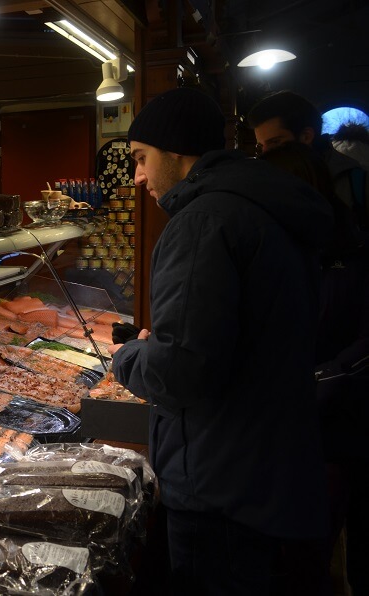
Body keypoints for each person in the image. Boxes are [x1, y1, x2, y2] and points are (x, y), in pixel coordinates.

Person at [107, 86, 335, 595]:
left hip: (222, 485)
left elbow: (181, 371)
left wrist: (128, 355)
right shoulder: (258, 204)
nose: (138, 175)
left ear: (177, 150)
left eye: (142, 159)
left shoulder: (202, 221)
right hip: (268, 469)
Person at [258, 141, 369, 596]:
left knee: (308, 557)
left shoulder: (352, 252)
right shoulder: (273, 245)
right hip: (274, 432)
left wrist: (324, 378)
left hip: (333, 433)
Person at [247, 90, 368, 229]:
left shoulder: (356, 184)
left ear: (306, 136)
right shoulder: (267, 184)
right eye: (260, 146)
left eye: (275, 142)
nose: (264, 154)